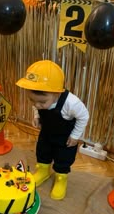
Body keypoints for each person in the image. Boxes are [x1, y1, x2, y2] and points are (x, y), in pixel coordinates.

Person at [16, 60, 89, 200]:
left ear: (56, 93)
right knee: (42, 151)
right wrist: (37, 115)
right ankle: (43, 170)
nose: (37, 105)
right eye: (32, 101)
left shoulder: (72, 103)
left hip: (65, 139)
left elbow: (84, 116)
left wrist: (75, 136)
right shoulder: (39, 102)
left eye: (42, 102)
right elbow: (36, 106)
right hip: (46, 133)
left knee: (63, 159)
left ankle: (61, 179)